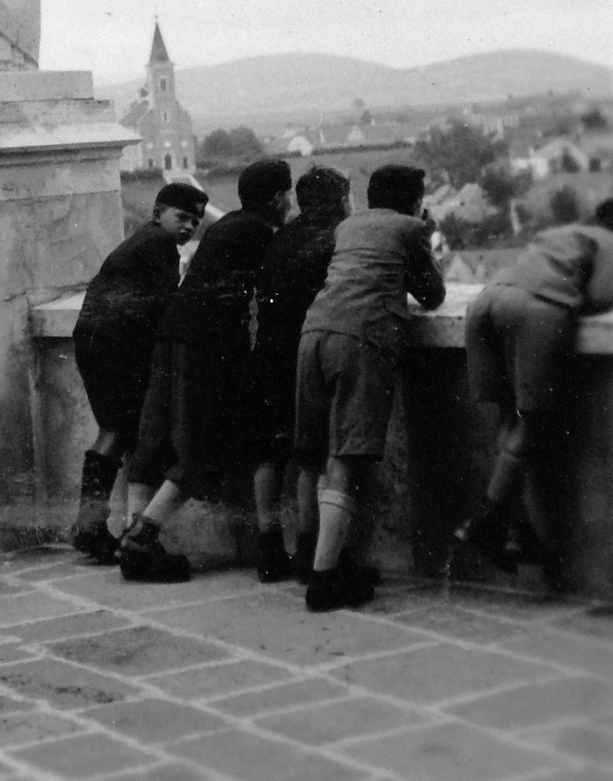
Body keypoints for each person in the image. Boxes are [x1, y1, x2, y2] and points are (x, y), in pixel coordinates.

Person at [118, 159, 294, 582]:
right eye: (286, 196)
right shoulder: (260, 233)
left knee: (153, 440)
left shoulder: (228, 226)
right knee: (196, 446)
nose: (289, 204)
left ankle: (130, 536)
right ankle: (142, 538)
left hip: (171, 335)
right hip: (204, 346)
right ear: (277, 198)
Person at [294, 164, 445, 612]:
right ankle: (322, 582)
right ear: (414, 199)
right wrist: (427, 236)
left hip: (314, 333)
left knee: (319, 451)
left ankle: (322, 560)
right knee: (347, 457)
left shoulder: (347, 225)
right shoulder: (411, 227)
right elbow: (433, 296)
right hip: (362, 338)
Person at [454, 197, 613, 587]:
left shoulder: (561, 233)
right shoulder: (608, 242)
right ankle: (487, 523)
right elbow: (602, 295)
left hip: (487, 303)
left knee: (510, 417)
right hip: (537, 309)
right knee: (532, 420)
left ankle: (515, 529)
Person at [71, 182, 210, 562]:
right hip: (112, 345)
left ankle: (90, 526)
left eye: (195, 221)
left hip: (96, 339)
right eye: (181, 217)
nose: (188, 227)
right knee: (116, 431)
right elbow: (166, 305)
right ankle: (89, 528)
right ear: (157, 213)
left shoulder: (146, 242)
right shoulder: (156, 246)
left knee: (115, 431)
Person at [249, 165, 353, 582]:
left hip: (268, 352)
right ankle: (311, 551)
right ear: (340, 201)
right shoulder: (334, 241)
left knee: (270, 451)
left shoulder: (281, 239)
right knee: (311, 454)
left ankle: (268, 545)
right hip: (308, 354)